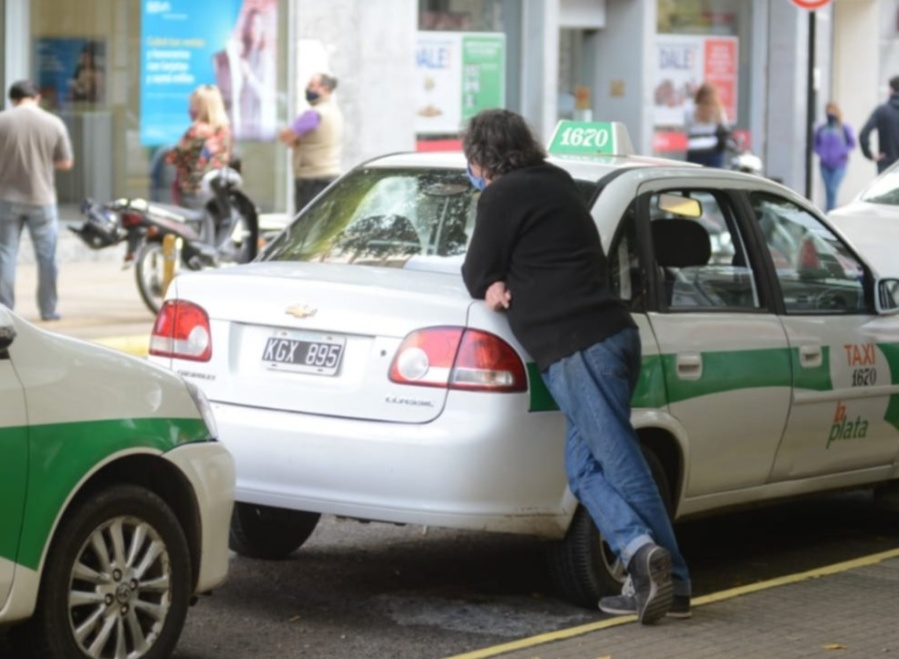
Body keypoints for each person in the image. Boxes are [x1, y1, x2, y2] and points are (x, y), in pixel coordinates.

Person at [459, 109, 691, 624]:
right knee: (584, 470)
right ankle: (639, 554)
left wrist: (492, 285)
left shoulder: (500, 194)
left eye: (470, 161)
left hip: (578, 346)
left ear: (480, 159)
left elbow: (476, 269)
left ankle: (670, 577)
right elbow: (540, 256)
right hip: (611, 335)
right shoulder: (557, 182)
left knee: (617, 461)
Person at [0, 80, 73, 321]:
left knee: (5, 254)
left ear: (13, 99)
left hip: (6, 197)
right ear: (37, 97)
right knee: (47, 256)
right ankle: (49, 309)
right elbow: (66, 162)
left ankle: (5, 312)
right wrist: (41, 161)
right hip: (42, 199)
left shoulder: (3, 121)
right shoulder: (53, 123)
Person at [279, 73, 344, 214]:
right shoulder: (334, 112)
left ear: (325, 89)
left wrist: (294, 140)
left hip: (312, 178)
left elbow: (286, 136)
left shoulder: (314, 114)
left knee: (306, 224)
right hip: (330, 175)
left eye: (312, 85)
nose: (308, 89)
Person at [165, 84, 233, 210]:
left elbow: (172, 158)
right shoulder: (224, 131)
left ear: (202, 108)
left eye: (193, 106)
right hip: (216, 191)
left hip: (193, 191)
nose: (190, 110)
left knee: (190, 227)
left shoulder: (196, 131)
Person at [814, 102, 856, 212]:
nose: (830, 113)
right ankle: (829, 211)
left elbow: (852, 143)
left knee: (833, 188)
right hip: (825, 164)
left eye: (832, 110)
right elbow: (815, 144)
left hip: (839, 164)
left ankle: (830, 211)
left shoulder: (843, 128)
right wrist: (821, 153)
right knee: (828, 189)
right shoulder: (822, 128)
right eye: (828, 110)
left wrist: (842, 152)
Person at [859, 75, 899, 174]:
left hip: (886, 167)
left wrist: (871, 155)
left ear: (891, 90)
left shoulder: (882, 111)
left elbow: (863, 135)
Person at [684, 82, 730, 168]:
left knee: (694, 178)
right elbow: (725, 126)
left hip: (694, 147)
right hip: (713, 148)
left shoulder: (689, 109)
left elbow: (686, 128)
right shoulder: (718, 109)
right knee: (713, 178)